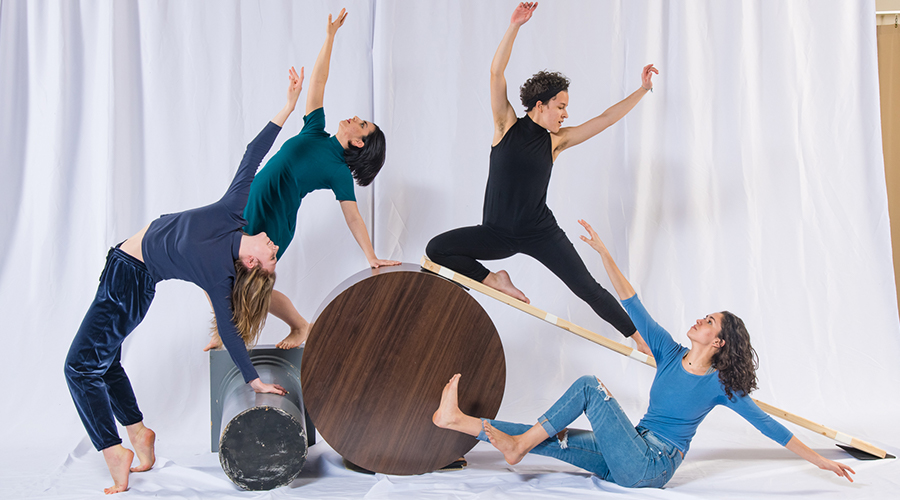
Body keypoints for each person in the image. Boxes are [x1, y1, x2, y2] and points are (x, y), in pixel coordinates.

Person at [432, 218, 856, 488]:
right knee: (544, 436)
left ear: (719, 343)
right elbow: (631, 300)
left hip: (651, 464)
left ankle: (516, 446)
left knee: (589, 388)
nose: (699, 321)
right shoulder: (670, 353)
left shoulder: (719, 386)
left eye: (709, 322)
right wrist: (605, 255)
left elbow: (771, 428)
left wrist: (821, 461)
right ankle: (459, 422)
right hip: (629, 450)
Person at [63, 69, 304, 494]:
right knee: (106, 362)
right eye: (275, 253)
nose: (274, 248)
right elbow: (253, 155)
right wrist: (287, 105)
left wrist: (254, 381)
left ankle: (111, 449)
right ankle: (139, 434)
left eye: (273, 260)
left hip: (129, 280)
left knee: (79, 368)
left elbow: (230, 330)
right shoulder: (233, 212)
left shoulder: (220, 273)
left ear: (252, 265)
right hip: (125, 272)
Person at [425, 2, 655, 355]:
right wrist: (515, 25)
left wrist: (641, 90)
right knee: (436, 249)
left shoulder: (557, 141)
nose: (566, 113)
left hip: (540, 232)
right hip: (496, 233)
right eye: (560, 106)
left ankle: (640, 340)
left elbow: (606, 118)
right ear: (539, 105)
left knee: (586, 287)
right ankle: (495, 280)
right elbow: (495, 73)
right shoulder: (506, 125)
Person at [205, 8, 399, 352]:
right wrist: (330, 36)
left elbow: (352, 215)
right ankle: (238, 331)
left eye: (362, 124)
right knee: (217, 266)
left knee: (249, 283)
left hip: (273, 222)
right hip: (250, 203)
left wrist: (371, 256)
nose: (355, 118)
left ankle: (294, 326)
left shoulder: (338, 170)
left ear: (358, 142)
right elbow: (319, 82)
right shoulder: (315, 130)